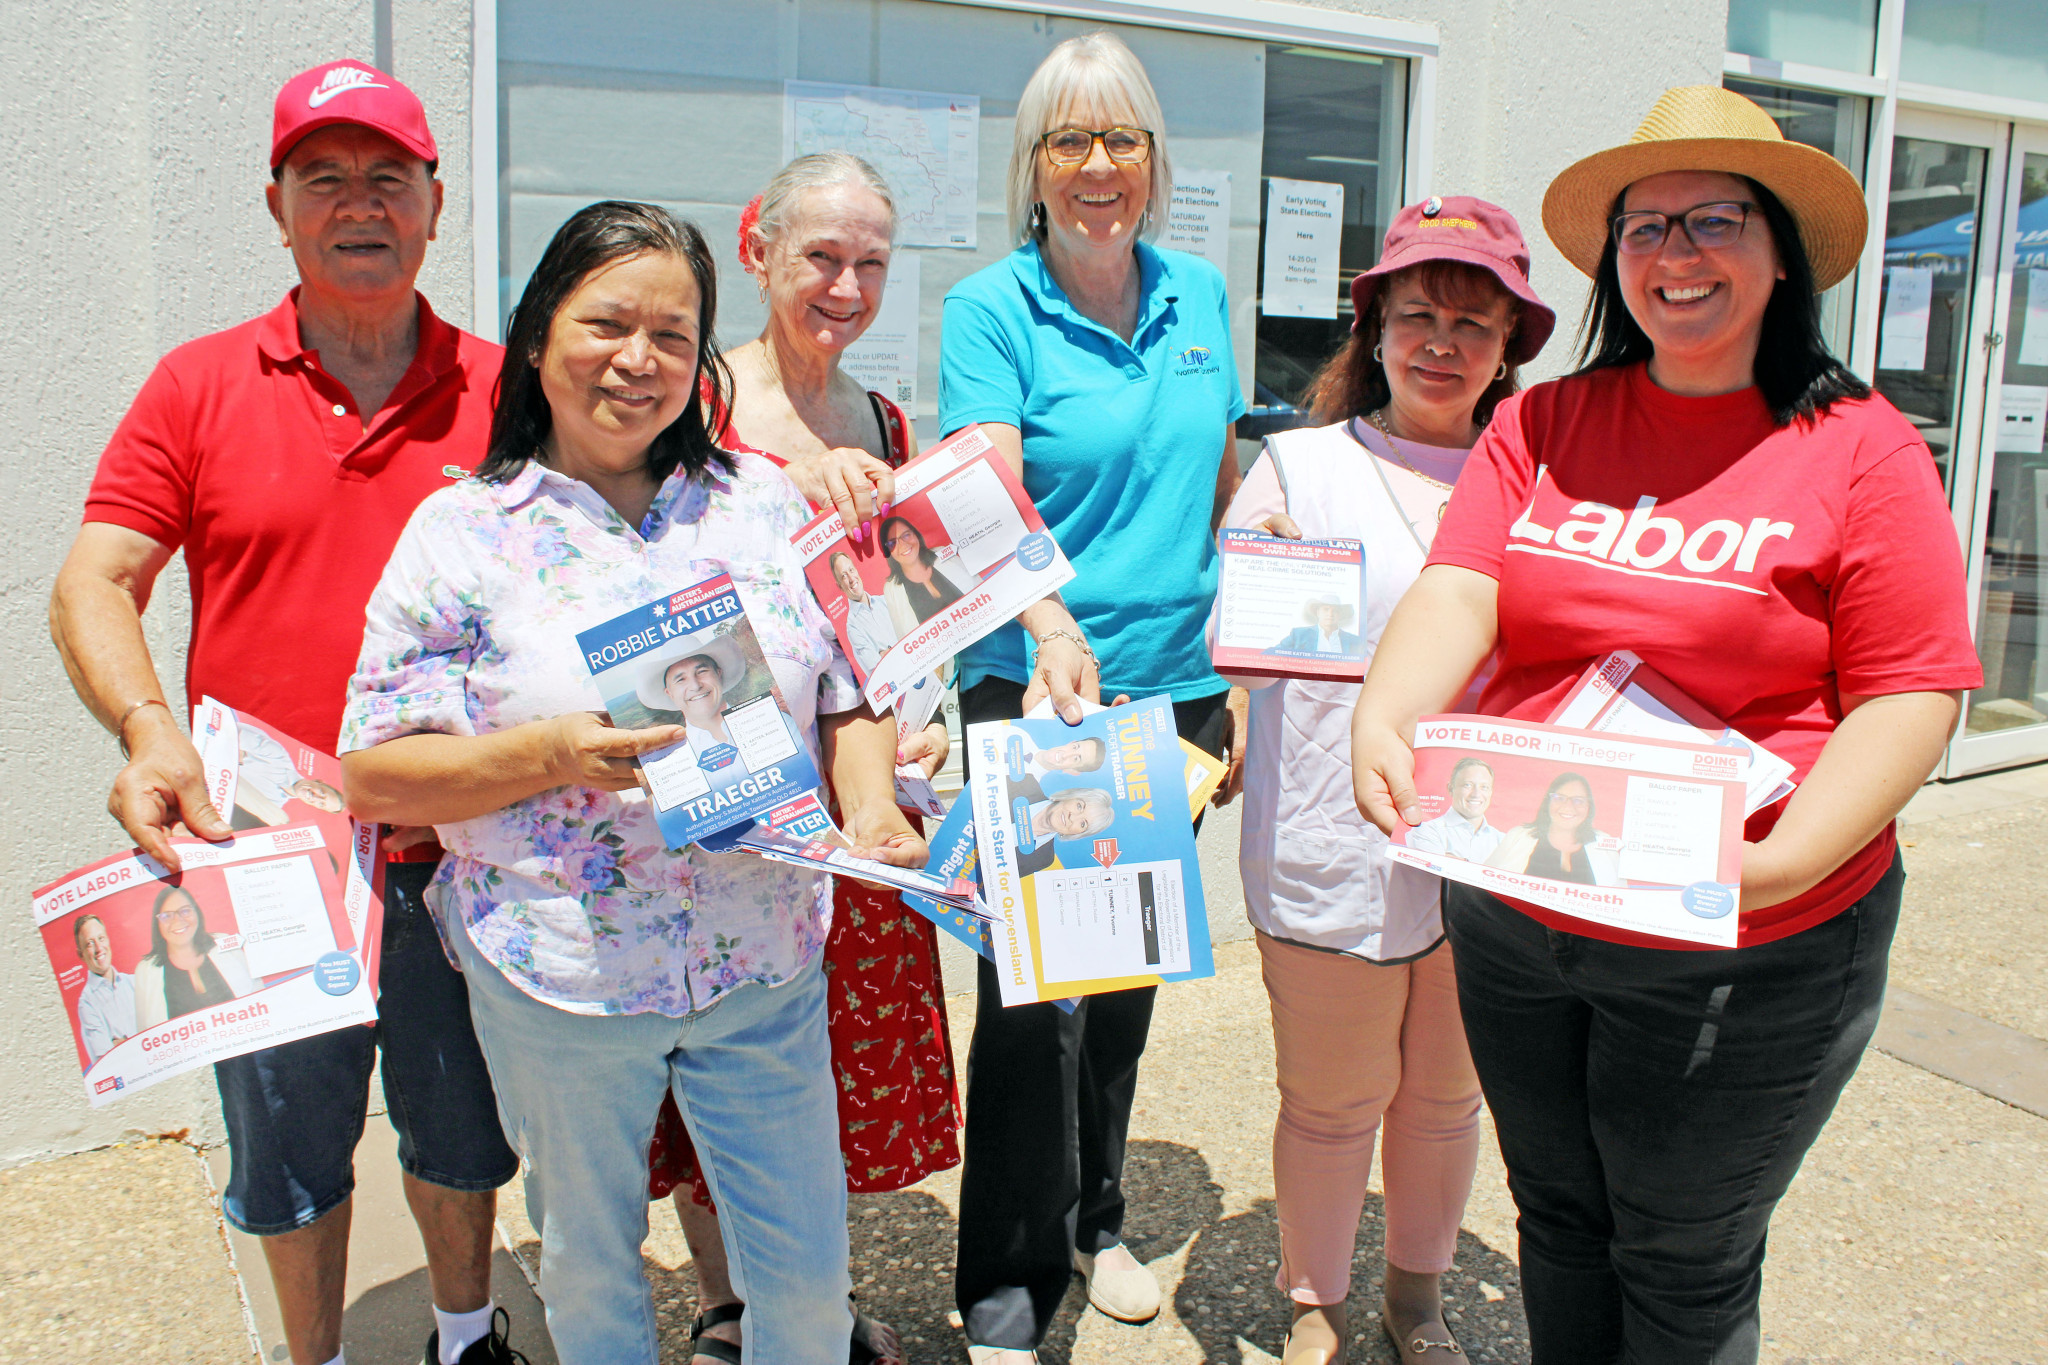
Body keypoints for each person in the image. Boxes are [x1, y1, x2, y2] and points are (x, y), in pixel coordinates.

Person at [1351, 86, 1983, 1362]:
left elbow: (1912, 687)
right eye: (1643, 227)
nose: (1672, 255)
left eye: (1712, 220)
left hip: (1746, 940)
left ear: (1780, 252)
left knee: (1681, 1261)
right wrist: (1388, 709)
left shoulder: (1859, 446)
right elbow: (1461, 583)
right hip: (1523, 907)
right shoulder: (1543, 420)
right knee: (1562, 1222)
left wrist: (1783, 859)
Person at [341, 198, 923, 1365]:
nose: (637, 360)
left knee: (806, 1296)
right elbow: (373, 771)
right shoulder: (463, 531)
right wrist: (547, 756)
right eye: (608, 323)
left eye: (671, 333)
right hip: (562, 972)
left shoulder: (759, 503)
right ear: (542, 332)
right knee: (594, 1282)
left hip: (762, 956)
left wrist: (868, 805)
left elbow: (852, 685)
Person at [47, 60, 519, 1365]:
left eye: (387, 177)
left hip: (460, 851)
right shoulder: (196, 386)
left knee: (464, 1131)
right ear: (278, 206)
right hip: (265, 856)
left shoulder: (504, 392)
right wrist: (150, 727)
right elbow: (94, 578)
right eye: (326, 178)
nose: (357, 203)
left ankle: (466, 1335)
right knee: (290, 1154)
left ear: (435, 204)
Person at [935, 32, 1246, 1361]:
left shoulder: (1202, 296)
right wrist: (1051, 618)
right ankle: (1008, 1293)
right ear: (1035, 164)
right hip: (1043, 693)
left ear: (1155, 161)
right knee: (1031, 1000)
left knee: (1123, 983)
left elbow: (1228, 482)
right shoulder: (991, 308)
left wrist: (1245, 658)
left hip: (1172, 693)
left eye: (1122, 139)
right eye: (1071, 140)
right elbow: (981, 497)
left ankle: (1098, 1217)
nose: (1099, 166)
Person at [1210, 194, 1554, 1364]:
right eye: (1416, 315)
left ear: (1509, 343)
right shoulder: (1300, 470)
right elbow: (1244, 646)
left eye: (1472, 320)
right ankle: (1316, 1302)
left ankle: (1416, 1296)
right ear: (1373, 332)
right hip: (1328, 832)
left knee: (1446, 1097)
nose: (1442, 343)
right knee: (1330, 1096)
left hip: (1489, 835)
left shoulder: (1541, 481)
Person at [648, 152, 961, 1365]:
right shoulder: (693, 402)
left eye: (870, 263)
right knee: (714, 1060)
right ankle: (733, 1302)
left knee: (826, 1072)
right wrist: (790, 497)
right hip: (727, 784)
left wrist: (923, 714)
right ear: (757, 248)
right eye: (821, 256)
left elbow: (895, 614)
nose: (844, 284)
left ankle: (805, 1305)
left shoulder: (883, 419)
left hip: (857, 789)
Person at [132, 886, 259, 1029]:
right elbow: (143, 1031)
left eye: (185, 911)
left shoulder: (225, 943)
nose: (178, 920)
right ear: (157, 923)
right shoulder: (146, 970)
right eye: (167, 916)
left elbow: (259, 996)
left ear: (196, 912)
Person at [1483, 773, 1620, 886]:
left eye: (1578, 800)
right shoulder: (1518, 836)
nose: (1568, 806)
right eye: (1559, 798)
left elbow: (1620, 900)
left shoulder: (1606, 844)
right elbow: (1483, 881)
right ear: (1548, 802)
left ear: (1589, 806)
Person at [879, 517, 973, 626]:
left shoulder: (943, 554)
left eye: (906, 535)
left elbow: (980, 587)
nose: (902, 544)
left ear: (916, 534)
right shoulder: (891, 589)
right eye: (892, 543)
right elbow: (903, 633)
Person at [1406, 757, 1504, 862]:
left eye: (1484, 787)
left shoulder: (1502, 840)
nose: (1476, 794)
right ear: (1450, 789)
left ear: (1491, 792)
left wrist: (1453, 862)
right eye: (1468, 785)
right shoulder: (1426, 831)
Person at [73, 914, 138, 1064]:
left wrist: (123, 1043)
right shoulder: (87, 1004)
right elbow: (107, 1062)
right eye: (90, 943)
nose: (98, 948)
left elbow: (159, 1031)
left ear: (108, 940)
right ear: (81, 954)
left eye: (101, 939)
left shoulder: (135, 982)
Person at [832, 550, 899, 674]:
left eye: (851, 570)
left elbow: (910, 632)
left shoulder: (885, 601)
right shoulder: (852, 627)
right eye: (844, 576)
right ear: (840, 586)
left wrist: (886, 653)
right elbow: (877, 671)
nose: (851, 578)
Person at [1268, 595, 1362, 656]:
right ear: (1318, 612)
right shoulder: (1299, 635)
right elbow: (1274, 653)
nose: (1330, 614)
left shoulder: (1354, 641)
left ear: (1340, 615)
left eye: (1335, 610)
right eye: (1326, 609)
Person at [1018, 736, 1107, 781]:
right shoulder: (1020, 735)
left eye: (1076, 758)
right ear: (1071, 742)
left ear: (1072, 771)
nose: (1065, 755)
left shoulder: (1027, 786)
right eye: (1075, 747)